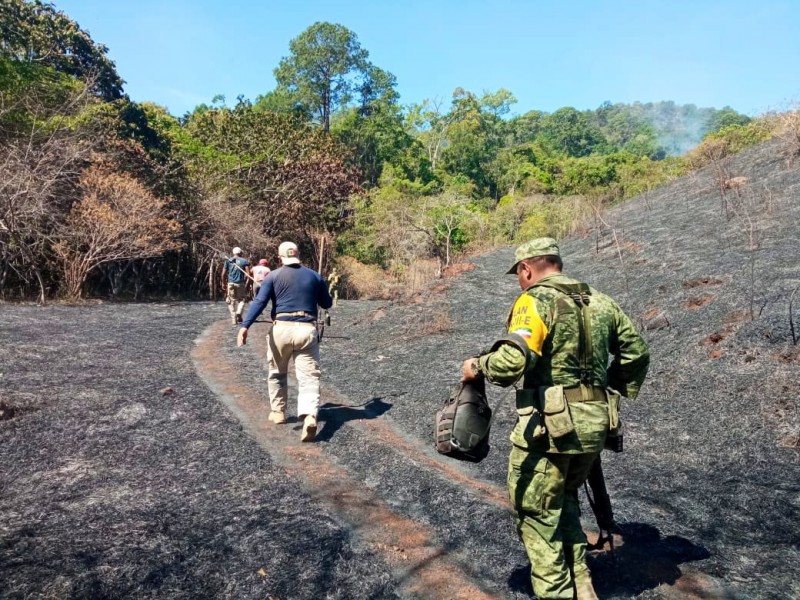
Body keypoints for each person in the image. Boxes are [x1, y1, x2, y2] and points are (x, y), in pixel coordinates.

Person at [460, 237, 649, 600]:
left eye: (519, 274)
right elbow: (637, 352)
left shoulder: (534, 300)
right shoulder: (601, 300)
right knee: (564, 501)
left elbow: (510, 363)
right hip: (596, 426)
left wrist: (477, 367)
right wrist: (599, 393)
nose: (520, 280)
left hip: (551, 431)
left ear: (527, 269)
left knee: (536, 513)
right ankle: (583, 585)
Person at [237, 241, 333, 442]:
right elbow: (327, 303)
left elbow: (260, 302)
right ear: (298, 256)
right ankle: (309, 415)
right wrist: (318, 287)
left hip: (281, 328)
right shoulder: (314, 276)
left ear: (280, 258)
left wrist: (245, 326)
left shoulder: (273, 276)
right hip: (307, 329)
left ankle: (278, 412)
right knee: (309, 377)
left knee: (277, 372)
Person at [221, 247, 251, 325]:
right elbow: (248, 274)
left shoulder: (228, 261)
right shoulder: (244, 261)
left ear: (233, 253)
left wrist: (223, 283)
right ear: (240, 253)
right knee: (243, 299)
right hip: (240, 283)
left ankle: (233, 318)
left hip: (230, 283)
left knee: (231, 301)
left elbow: (223, 274)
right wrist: (248, 285)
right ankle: (239, 312)